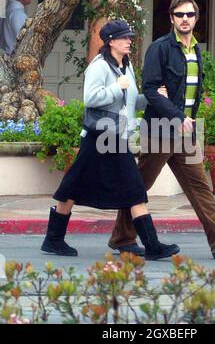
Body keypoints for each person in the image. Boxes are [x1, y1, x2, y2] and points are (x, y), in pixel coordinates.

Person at [108, 0, 215, 259]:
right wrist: (177, 116)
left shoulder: (196, 50)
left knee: (200, 186)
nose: (184, 19)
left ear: (196, 18)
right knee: (140, 185)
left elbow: (193, 93)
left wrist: (190, 125)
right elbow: (151, 90)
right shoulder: (160, 48)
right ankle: (122, 237)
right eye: (179, 15)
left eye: (189, 14)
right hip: (160, 128)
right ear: (171, 18)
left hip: (186, 131)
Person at [40, 19, 179, 260]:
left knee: (74, 186)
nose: (129, 41)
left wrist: (151, 97)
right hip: (101, 135)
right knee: (134, 187)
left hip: (116, 135)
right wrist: (116, 86)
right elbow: (91, 98)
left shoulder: (126, 66)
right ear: (111, 41)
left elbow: (130, 101)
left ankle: (53, 239)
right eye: (124, 37)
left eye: (129, 37)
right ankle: (152, 245)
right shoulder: (99, 66)